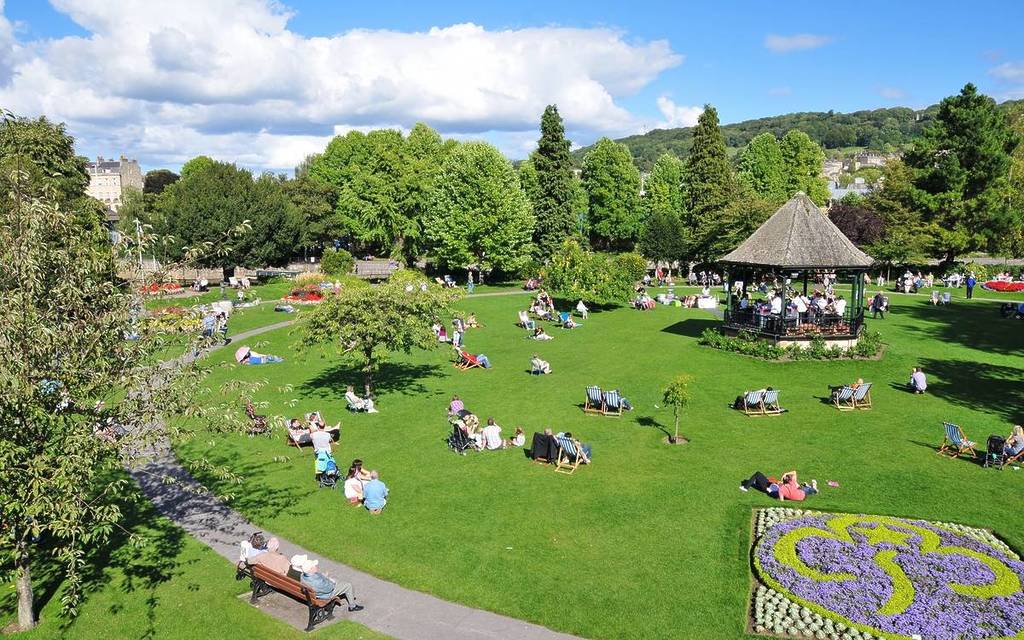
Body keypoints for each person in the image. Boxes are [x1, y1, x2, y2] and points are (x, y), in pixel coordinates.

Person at [294, 555, 363, 612]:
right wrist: (332, 582)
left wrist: (325, 577)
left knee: (336, 581)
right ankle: (352, 606)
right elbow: (329, 589)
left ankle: (347, 594)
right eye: (314, 566)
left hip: (316, 592)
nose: (316, 566)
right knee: (348, 585)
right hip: (326, 595)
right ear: (310, 569)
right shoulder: (317, 582)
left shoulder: (303, 575)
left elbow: (318, 579)